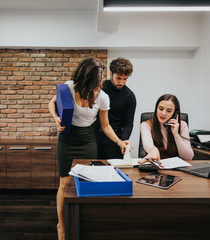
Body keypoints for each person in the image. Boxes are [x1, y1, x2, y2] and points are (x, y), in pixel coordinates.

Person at [48, 58, 133, 240]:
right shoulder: (69, 87)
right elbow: (51, 103)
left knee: (84, 182)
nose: (99, 86)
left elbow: (105, 126)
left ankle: (81, 222)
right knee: (64, 183)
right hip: (67, 140)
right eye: (95, 83)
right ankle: (61, 227)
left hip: (88, 140)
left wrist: (120, 142)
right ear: (85, 80)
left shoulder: (103, 97)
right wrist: (56, 118)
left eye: (100, 81)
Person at [94, 57, 136, 159]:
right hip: (94, 137)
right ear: (111, 74)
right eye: (118, 78)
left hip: (115, 140)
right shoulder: (99, 88)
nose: (121, 82)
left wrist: (123, 141)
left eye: (125, 79)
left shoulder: (129, 96)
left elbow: (128, 123)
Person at [139, 94, 194, 164]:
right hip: (155, 167)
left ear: (175, 113)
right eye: (161, 109)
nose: (163, 113)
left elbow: (188, 157)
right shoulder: (146, 125)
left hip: (176, 169)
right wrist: (153, 150)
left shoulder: (182, 125)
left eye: (169, 111)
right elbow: (148, 145)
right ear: (156, 109)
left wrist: (176, 135)